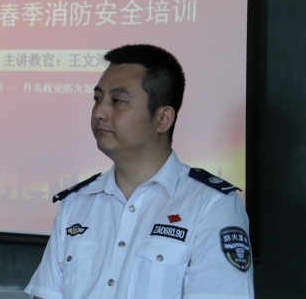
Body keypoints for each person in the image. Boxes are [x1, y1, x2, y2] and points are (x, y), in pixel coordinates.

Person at [25, 44, 253, 299]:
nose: (99, 112)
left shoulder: (211, 205)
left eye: (118, 101)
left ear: (163, 119)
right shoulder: (77, 203)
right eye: (97, 98)